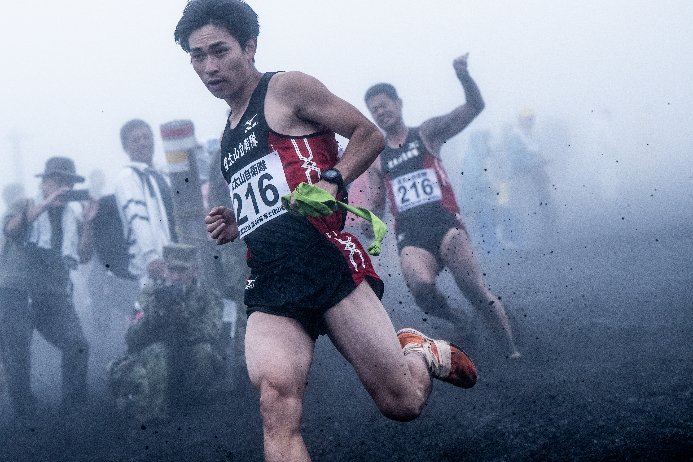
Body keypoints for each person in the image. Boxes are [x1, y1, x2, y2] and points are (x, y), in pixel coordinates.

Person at [174, 1, 477, 461]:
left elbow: (367, 133)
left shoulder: (285, 88)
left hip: (326, 263)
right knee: (274, 400)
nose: (209, 66)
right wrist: (239, 220)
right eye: (198, 56)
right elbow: (273, 195)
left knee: (403, 403)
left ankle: (418, 352)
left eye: (219, 51)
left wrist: (333, 179)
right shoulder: (227, 133)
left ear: (249, 46)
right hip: (271, 282)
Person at [364, 54, 521, 359]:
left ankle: (512, 351)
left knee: (474, 290)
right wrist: (369, 225)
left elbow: (474, 107)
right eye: (374, 110)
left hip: (446, 224)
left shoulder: (426, 132)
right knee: (421, 290)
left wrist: (463, 76)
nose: (381, 112)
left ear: (399, 103)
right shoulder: (378, 157)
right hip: (411, 236)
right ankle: (457, 320)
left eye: (384, 105)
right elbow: (376, 201)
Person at [0, 157, 96, 419]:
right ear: (43, 182)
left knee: (77, 343)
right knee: (17, 353)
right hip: (15, 292)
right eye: (57, 181)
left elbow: (84, 255)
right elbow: (11, 230)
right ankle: (25, 412)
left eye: (69, 182)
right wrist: (45, 205)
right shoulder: (24, 205)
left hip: (53, 293)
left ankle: (73, 408)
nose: (63, 187)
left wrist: (88, 221)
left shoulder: (71, 218)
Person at [108, 244, 224, 423]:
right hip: (159, 361)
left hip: (188, 357)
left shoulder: (206, 296)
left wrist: (183, 321)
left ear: (194, 270)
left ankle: (196, 407)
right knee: (157, 351)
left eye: (182, 270)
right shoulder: (151, 294)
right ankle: (155, 415)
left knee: (203, 351)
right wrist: (150, 321)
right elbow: (131, 338)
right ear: (164, 270)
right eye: (172, 269)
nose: (176, 276)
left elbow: (212, 331)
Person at [115, 119, 178, 286]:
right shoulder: (128, 176)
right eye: (136, 140)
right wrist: (151, 256)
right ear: (125, 147)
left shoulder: (161, 173)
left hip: (176, 255)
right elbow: (137, 217)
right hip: (154, 262)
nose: (143, 143)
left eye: (146, 137)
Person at [503, 108, 554, 248]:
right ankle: (531, 240)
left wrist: (540, 159)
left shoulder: (529, 135)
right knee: (529, 208)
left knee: (542, 205)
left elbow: (532, 154)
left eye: (532, 119)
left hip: (536, 177)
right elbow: (517, 161)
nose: (531, 122)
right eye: (528, 119)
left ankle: (543, 236)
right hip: (524, 179)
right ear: (521, 120)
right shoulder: (516, 137)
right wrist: (538, 161)